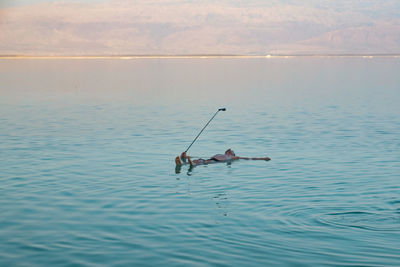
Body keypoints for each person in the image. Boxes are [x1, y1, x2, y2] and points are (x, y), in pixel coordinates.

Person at [175, 149, 270, 166]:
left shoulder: (234, 157)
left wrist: (263, 158)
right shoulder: (220, 154)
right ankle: (182, 163)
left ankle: (192, 164)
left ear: (232, 154)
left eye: (231, 151)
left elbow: (249, 158)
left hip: (214, 162)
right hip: (210, 159)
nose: (230, 150)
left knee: (203, 162)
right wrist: (185, 156)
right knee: (198, 159)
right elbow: (197, 155)